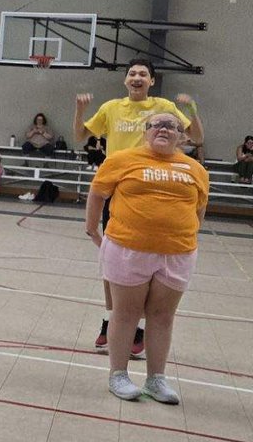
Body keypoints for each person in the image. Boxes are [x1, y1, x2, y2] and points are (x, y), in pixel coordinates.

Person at [74, 58, 203, 358]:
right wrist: (80, 110)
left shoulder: (163, 107)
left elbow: (196, 137)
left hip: (153, 188)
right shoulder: (111, 108)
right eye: (132, 73)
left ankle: (139, 332)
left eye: (143, 74)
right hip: (120, 190)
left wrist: (191, 111)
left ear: (151, 81)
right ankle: (111, 324)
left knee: (150, 264)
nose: (136, 77)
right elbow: (81, 135)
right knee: (114, 263)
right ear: (125, 80)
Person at [86, 113, 208, 403]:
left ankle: (156, 379)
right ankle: (118, 374)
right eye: (158, 125)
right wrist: (92, 228)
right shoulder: (122, 160)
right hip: (128, 248)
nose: (165, 129)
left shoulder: (195, 169)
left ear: (182, 136)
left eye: (173, 126)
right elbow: (98, 193)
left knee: (163, 317)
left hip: (178, 252)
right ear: (146, 132)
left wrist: (181, 233)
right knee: (125, 313)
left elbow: (199, 209)